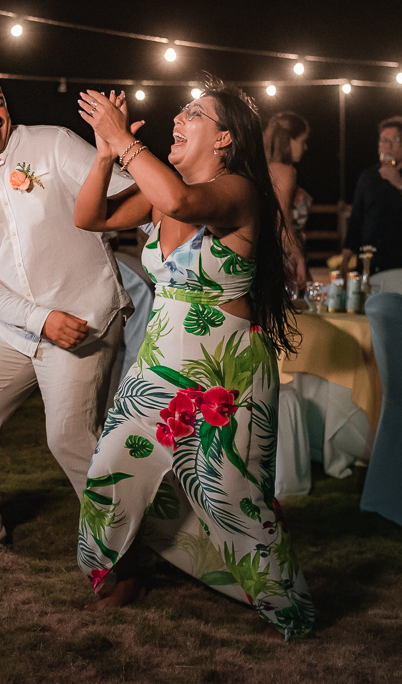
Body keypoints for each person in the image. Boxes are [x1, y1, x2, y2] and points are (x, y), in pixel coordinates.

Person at [72, 81, 314, 639]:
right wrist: (107, 153)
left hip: (225, 372)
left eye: (195, 114)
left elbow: (183, 203)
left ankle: (287, 608)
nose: (178, 118)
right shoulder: (163, 188)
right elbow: (88, 217)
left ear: (224, 138)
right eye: (181, 110)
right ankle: (118, 573)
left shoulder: (240, 190)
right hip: (158, 365)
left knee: (231, 496)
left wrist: (123, 141)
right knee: (111, 467)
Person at [0, 68, 133, 553]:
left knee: (69, 439)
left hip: (84, 316)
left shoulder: (53, 144)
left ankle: (124, 550)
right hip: (17, 328)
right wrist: (37, 319)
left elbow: (128, 193)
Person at [341, 118, 402, 274]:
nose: (388, 146)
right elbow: (356, 218)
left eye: (395, 140)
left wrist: (400, 182)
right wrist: (346, 256)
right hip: (369, 262)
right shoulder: (368, 176)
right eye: (383, 140)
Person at [264, 111, 310, 290]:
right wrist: (297, 255)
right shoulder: (285, 171)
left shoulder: (261, 168)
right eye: (302, 141)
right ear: (289, 140)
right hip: (281, 251)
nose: (304, 147)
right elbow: (282, 218)